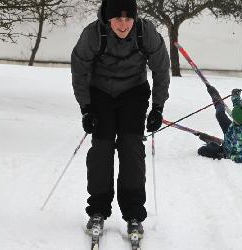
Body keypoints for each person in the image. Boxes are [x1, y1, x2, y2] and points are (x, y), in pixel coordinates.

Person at [70, 0, 170, 238]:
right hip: (100, 94)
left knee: (131, 147)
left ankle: (134, 212)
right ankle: (97, 210)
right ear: (108, 19)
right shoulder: (92, 34)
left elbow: (161, 67)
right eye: (118, 19)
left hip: (133, 93)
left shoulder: (146, 33)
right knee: (102, 149)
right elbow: (79, 70)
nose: (123, 24)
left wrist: (157, 107)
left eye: (128, 19)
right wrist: (86, 108)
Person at [198, 88, 242, 163]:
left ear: (238, 122)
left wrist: (226, 156)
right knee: (220, 115)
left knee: (202, 150)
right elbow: (239, 107)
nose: (232, 119)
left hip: (229, 148)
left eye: (234, 119)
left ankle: (215, 143)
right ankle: (218, 102)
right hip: (232, 132)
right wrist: (236, 96)